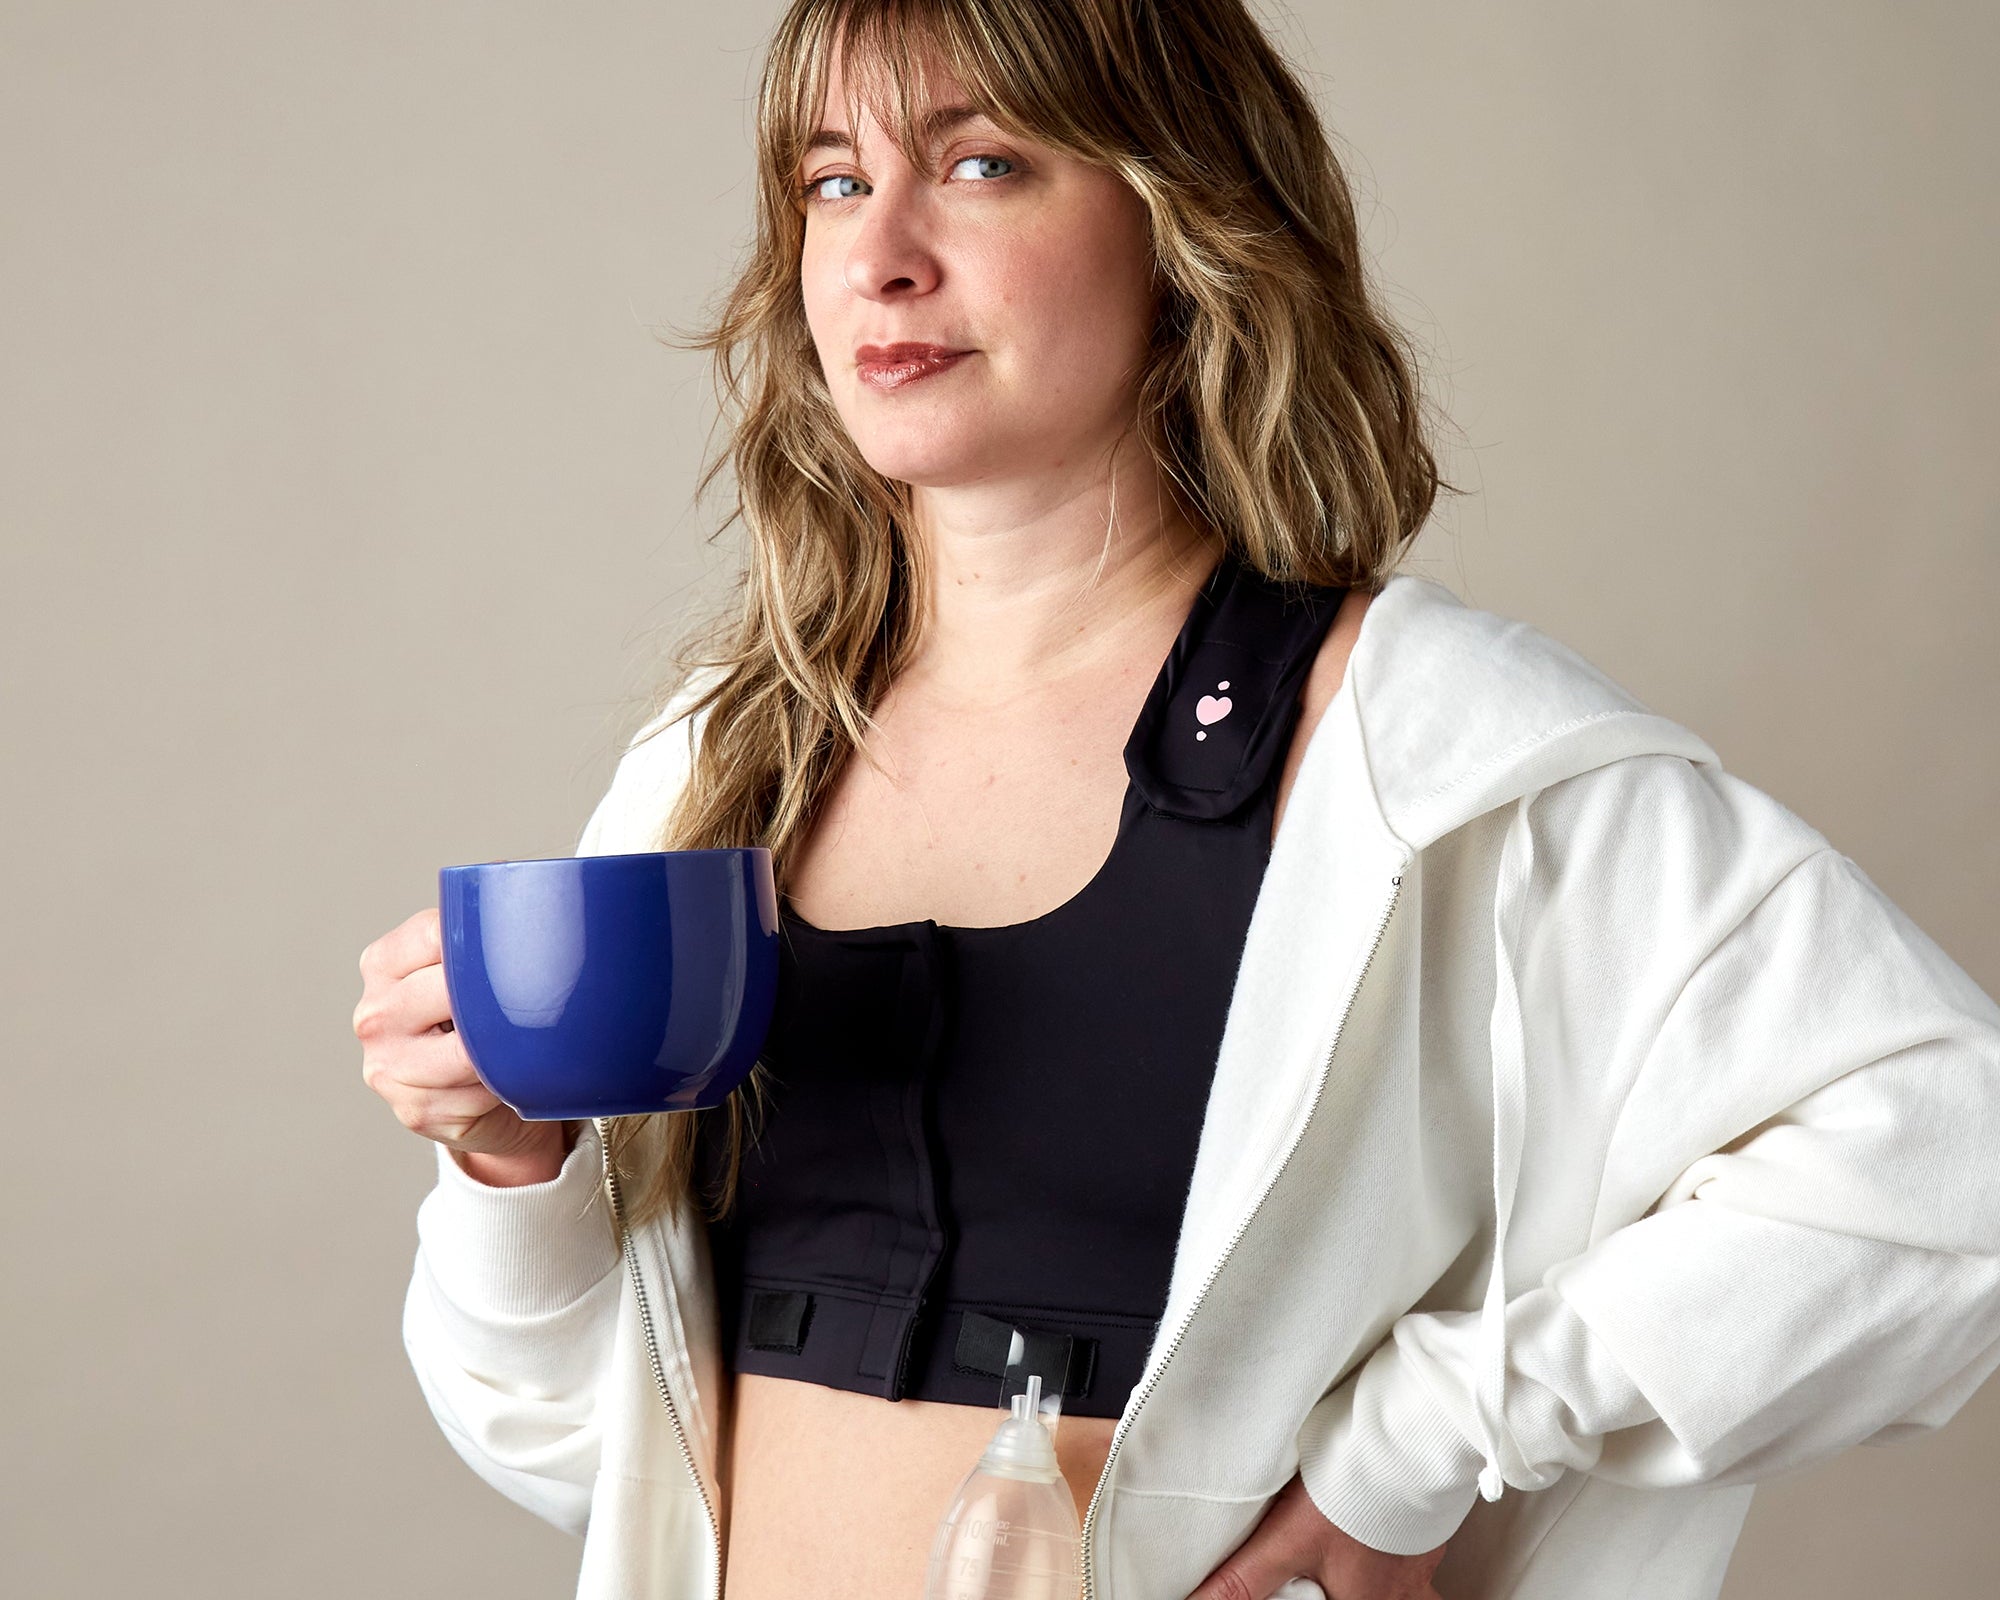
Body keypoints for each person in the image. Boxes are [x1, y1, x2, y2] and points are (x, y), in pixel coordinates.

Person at [354, 2, 2000, 1597]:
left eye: (982, 164)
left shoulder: (1410, 738)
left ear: (1179, 215)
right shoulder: (725, 766)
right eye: (834, 180)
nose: (880, 253)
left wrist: (1420, 1443)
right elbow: (577, 1450)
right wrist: (515, 1168)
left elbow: (1948, 1161)